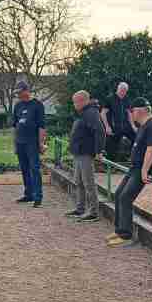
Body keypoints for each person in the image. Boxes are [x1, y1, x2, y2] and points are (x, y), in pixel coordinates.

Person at [107, 97, 152, 248]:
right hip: (135, 167)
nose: (131, 115)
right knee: (119, 194)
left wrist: (145, 171)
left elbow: (151, 150)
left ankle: (126, 235)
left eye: (132, 111)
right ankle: (119, 230)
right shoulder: (144, 126)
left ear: (140, 111)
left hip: (141, 169)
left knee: (126, 197)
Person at [65, 91, 105, 223]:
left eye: (75, 102)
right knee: (79, 181)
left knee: (88, 182)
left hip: (85, 153)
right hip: (79, 152)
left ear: (83, 101)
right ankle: (80, 208)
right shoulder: (84, 112)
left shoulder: (91, 112)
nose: (74, 105)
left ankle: (94, 212)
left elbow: (100, 131)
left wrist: (99, 151)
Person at [12, 81, 47, 207]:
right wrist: (14, 144)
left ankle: (38, 197)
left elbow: (42, 126)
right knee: (24, 169)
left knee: (34, 169)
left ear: (26, 91)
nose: (18, 95)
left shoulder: (37, 105)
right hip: (20, 142)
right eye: (17, 93)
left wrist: (41, 143)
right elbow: (15, 126)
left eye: (20, 92)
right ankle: (29, 194)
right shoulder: (17, 106)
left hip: (32, 142)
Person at [101, 82, 137, 161]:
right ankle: (110, 163)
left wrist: (133, 126)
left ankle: (132, 157)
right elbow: (103, 113)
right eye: (121, 90)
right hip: (114, 128)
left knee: (136, 137)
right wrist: (107, 127)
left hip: (125, 127)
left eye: (125, 91)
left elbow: (129, 113)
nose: (123, 92)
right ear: (118, 89)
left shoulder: (127, 99)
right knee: (111, 148)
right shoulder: (110, 99)